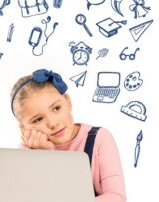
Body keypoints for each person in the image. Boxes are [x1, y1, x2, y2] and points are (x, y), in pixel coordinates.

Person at [10, 68, 126, 202]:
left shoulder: (100, 139)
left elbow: (117, 197)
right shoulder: (26, 152)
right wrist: (43, 156)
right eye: (38, 119)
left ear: (68, 102)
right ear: (24, 130)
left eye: (56, 108)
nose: (53, 123)